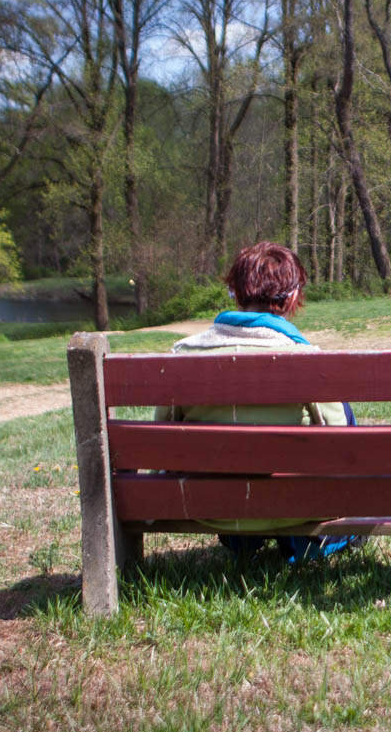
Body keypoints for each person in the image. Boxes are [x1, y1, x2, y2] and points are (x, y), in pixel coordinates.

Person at [154, 241, 365, 563]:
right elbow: (343, 449)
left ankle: (245, 538)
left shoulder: (182, 357)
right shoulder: (308, 360)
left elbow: (160, 443)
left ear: (236, 295)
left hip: (210, 506)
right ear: (292, 298)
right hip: (296, 506)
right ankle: (304, 543)